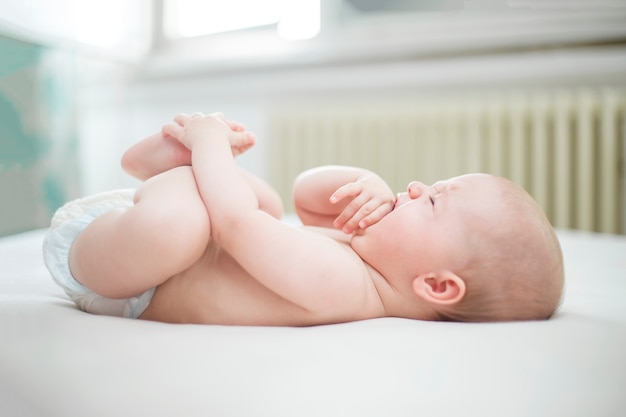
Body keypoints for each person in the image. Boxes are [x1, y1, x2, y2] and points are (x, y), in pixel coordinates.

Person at [43, 112, 564, 325]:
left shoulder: (344, 286)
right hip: (138, 247)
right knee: (271, 204)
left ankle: (182, 161)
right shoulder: (367, 260)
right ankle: (163, 172)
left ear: (435, 284)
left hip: (129, 283)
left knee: (200, 225)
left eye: (432, 202)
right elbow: (307, 198)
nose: (415, 187)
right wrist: (366, 181)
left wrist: (210, 148)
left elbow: (236, 226)